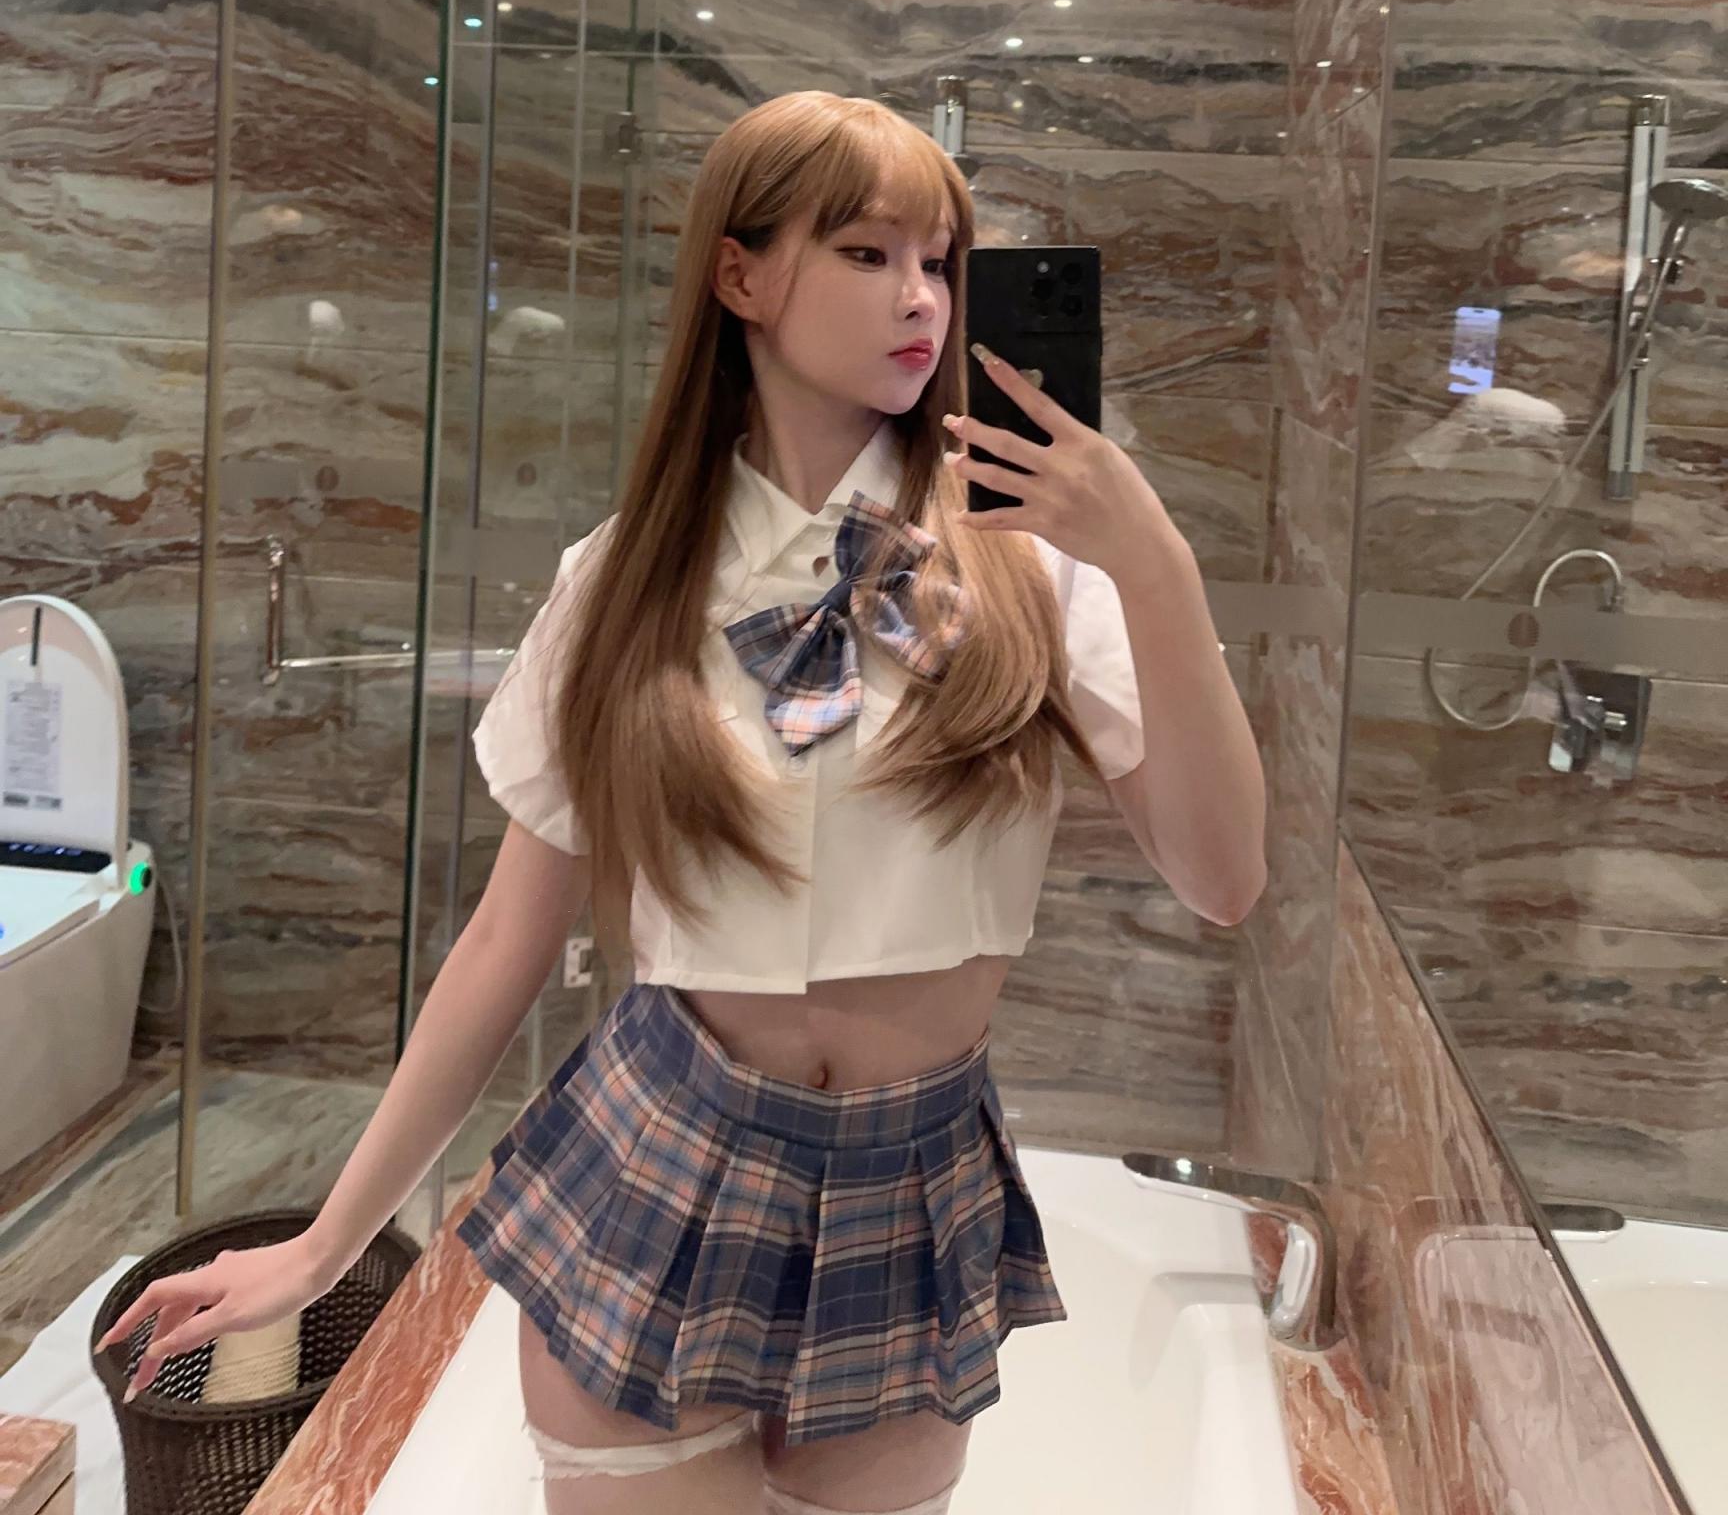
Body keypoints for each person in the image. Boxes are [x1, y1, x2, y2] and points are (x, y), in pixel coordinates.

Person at [97, 92, 1266, 1512]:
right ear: (741, 275)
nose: (921, 296)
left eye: (940, 261)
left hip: (908, 1193)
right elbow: (506, 940)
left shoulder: (1038, 569)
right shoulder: (623, 582)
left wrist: (1155, 563)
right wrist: (327, 1245)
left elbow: (1223, 881)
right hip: (660, 1158)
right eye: (867, 252)